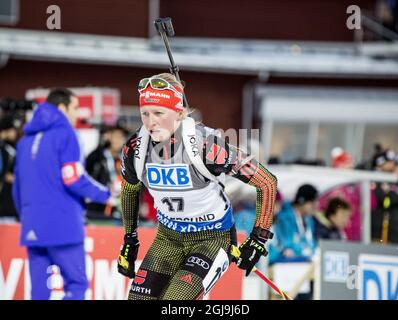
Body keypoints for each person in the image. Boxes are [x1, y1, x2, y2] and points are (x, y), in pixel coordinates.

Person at [117, 73, 278, 300]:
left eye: (159, 113)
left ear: (179, 114)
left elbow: (267, 182)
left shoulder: (206, 146)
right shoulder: (134, 149)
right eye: (145, 113)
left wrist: (258, 239)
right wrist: (129, 240)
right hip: (168, 238)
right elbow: (130, 190)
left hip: (211, 239)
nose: (150, 122)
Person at [12, 88, 111, 300]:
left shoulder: (24, 142)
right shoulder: (66, 134)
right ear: (62, 107)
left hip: (32, 225)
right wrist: (106, 194)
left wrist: (28, 216)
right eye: (75, 108)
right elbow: (73, 179)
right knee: (76, 284)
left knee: (39, 291)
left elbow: (17, 188)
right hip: (63, 224)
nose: (77, 114)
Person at [86, 124, 128, 219]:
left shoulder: (125, 160)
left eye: (121, 137)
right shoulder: (96, 157)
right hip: (96, 209)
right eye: (116, 137)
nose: (118, 140)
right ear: (108, 137)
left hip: (117, 210)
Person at [269, 184, 319, 264]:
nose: (315, 207)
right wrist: (301, 250)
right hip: (287, 263)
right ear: (302, 201)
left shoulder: (310, 220)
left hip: (304, 262)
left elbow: (312, 244)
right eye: (312, 203)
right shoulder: (284, 218)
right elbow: (286, 245)